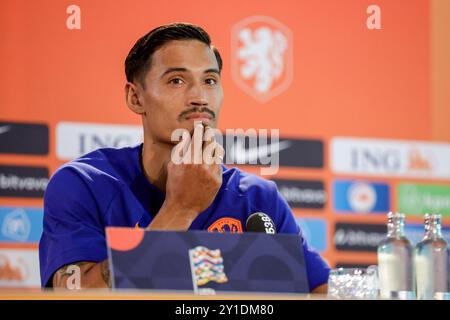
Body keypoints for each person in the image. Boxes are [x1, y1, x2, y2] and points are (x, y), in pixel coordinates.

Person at [39, 23, 330, 292]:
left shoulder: (258, 198)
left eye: (210, 80)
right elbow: (74, 295)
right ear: (135, 98)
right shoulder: (83, 184)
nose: (200, 97)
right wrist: (180, 210)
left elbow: (320, 289)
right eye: (177, 80)